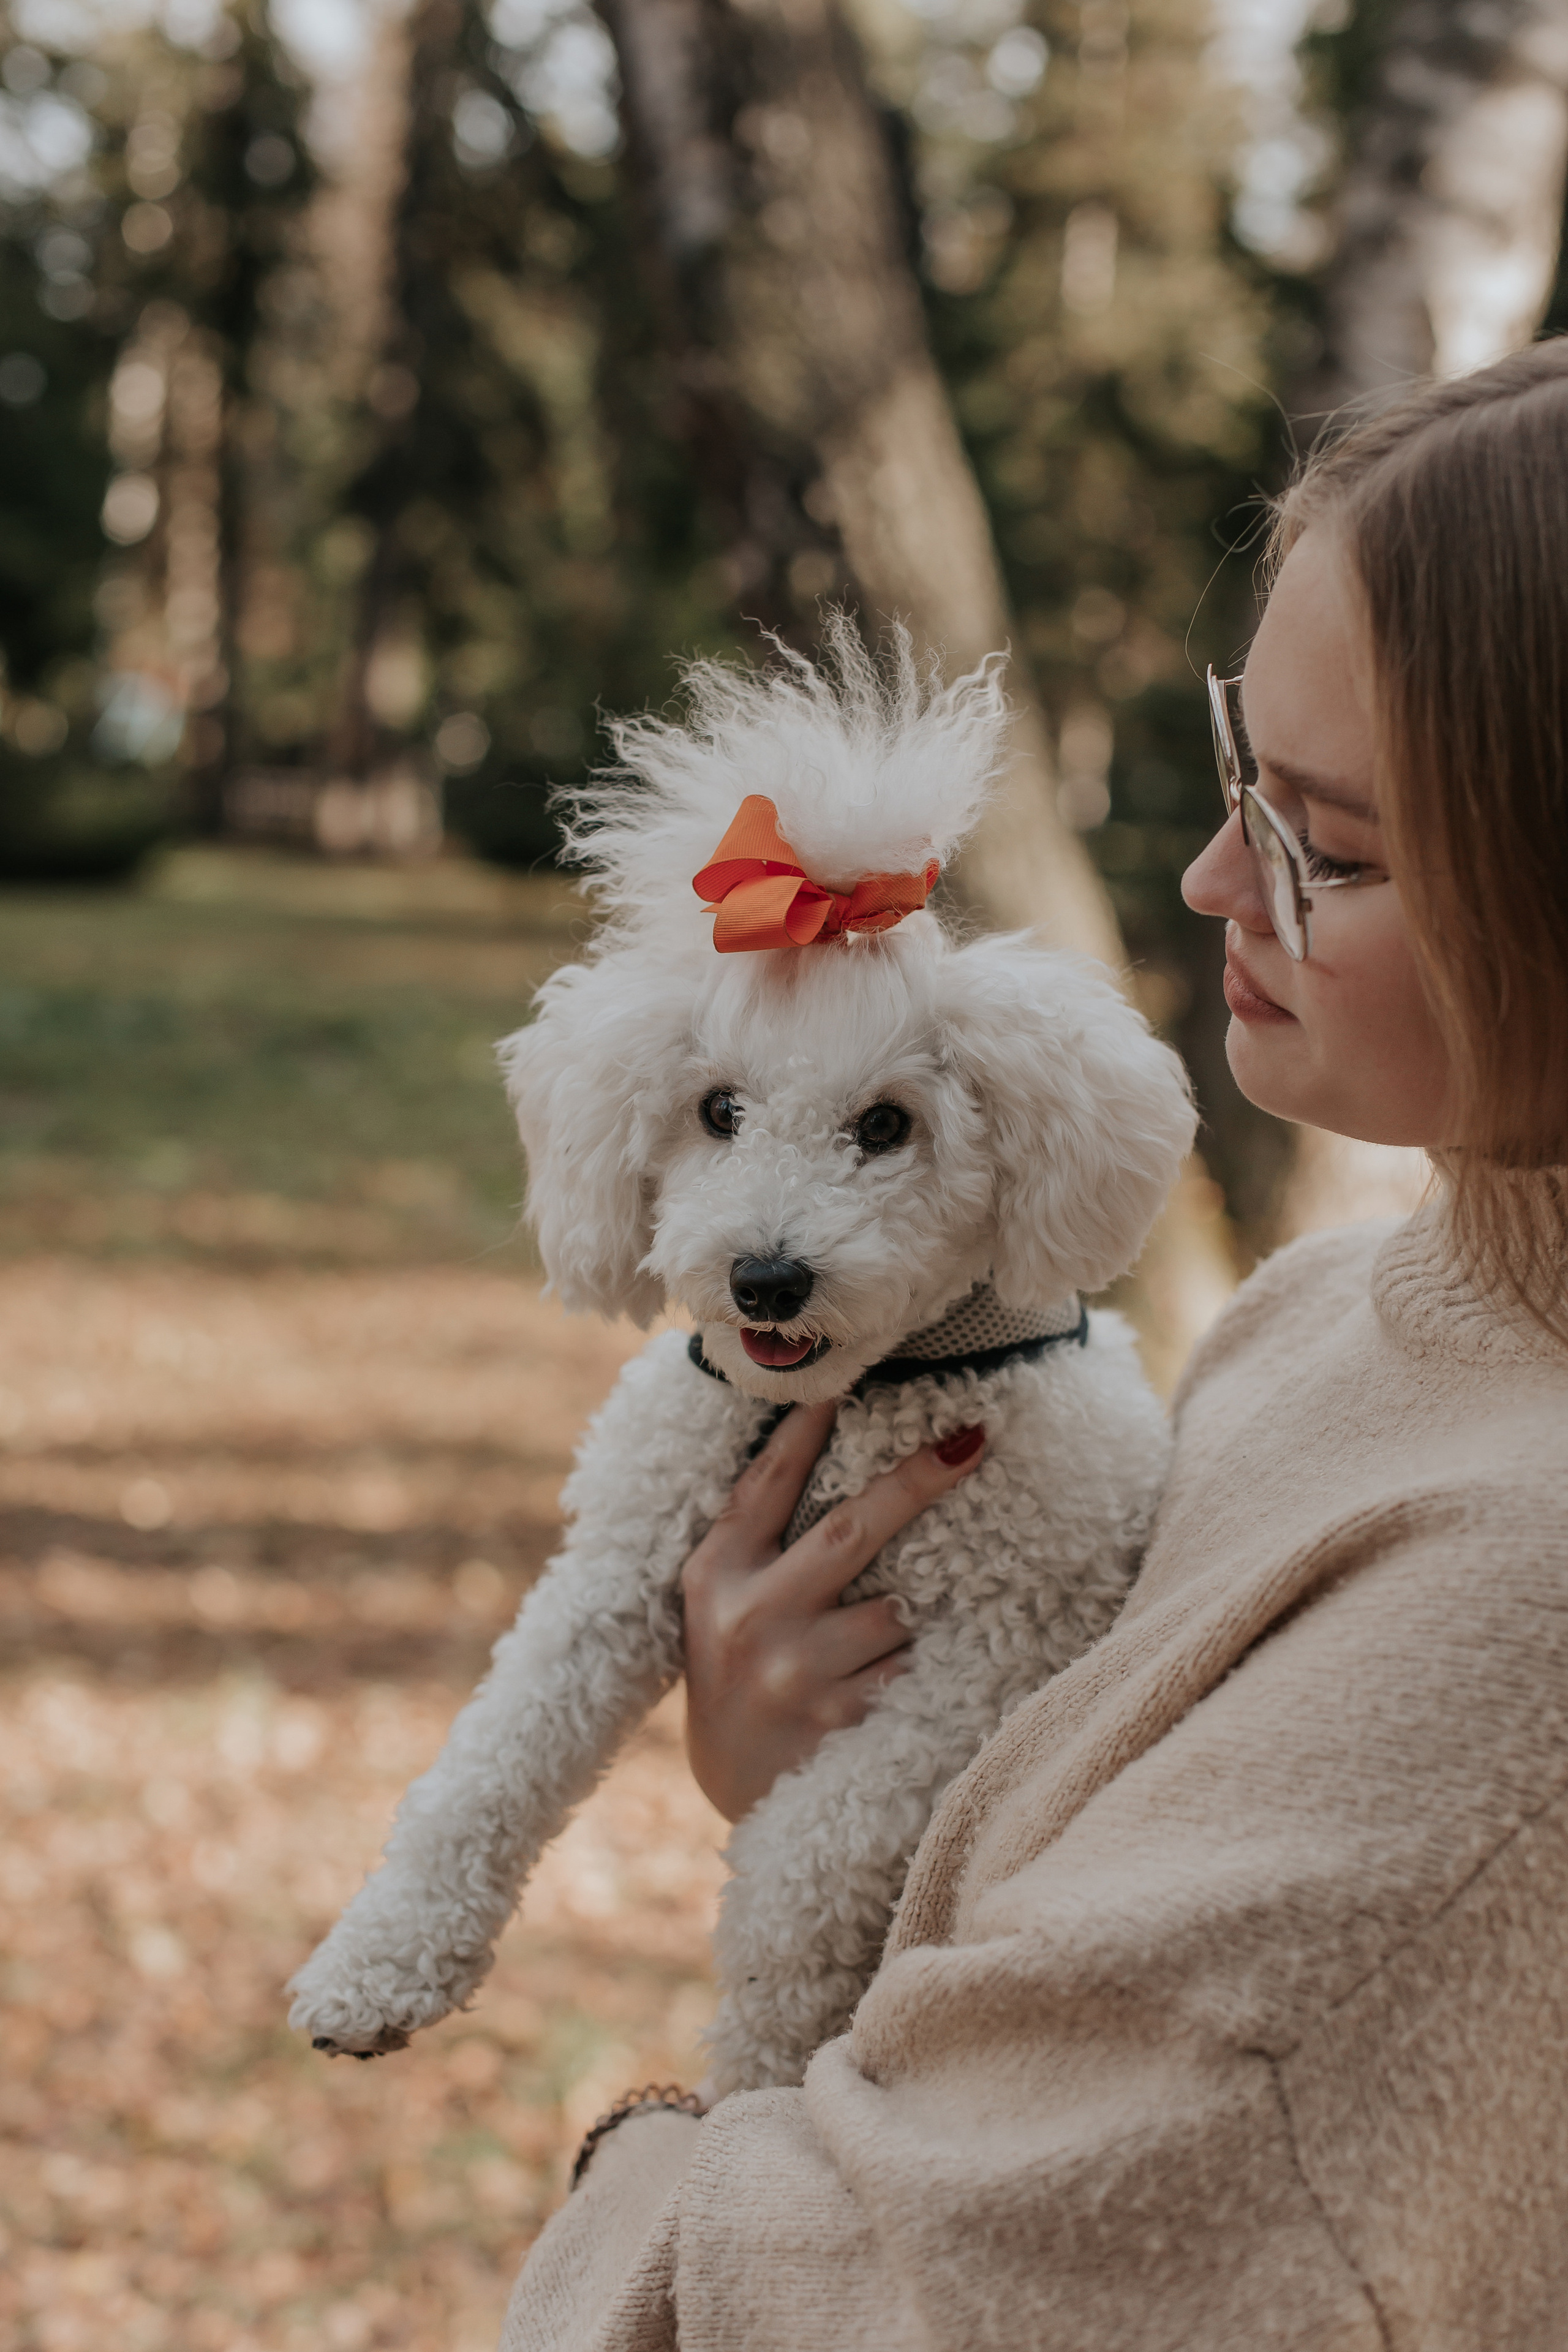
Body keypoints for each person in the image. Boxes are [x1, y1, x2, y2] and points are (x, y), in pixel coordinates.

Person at [501, 342, 1568, 2351]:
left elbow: (977, 2279)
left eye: (1327, 842)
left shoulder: (1524, 1615)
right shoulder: (1314, 1318)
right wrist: (804, 1775)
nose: (1209, 878)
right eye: (1245, 771)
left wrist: (633, 2172)